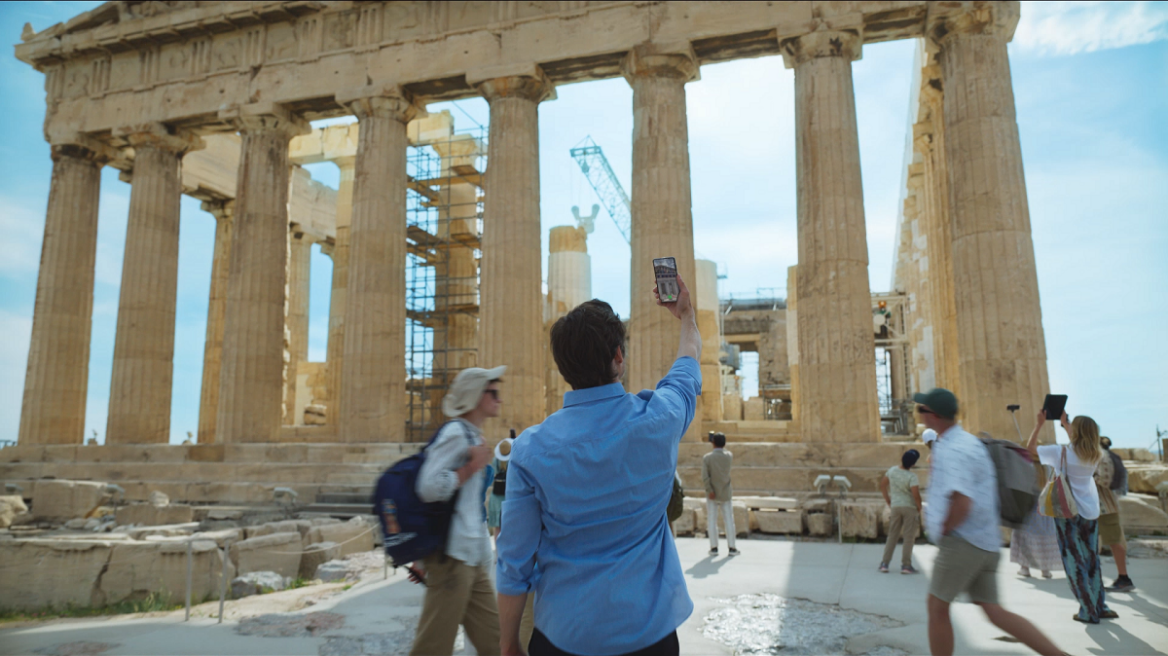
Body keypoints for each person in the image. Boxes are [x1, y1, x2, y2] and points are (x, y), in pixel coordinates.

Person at [496, 277, 702, 656]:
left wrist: (508, 642)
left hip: (565, 636)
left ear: (563, 368)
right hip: (650, 635)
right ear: (618, 357)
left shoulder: (529, 450)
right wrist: (686, 315)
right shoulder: (661, 419)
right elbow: (688, 365)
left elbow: (515, 560)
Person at [916, 388, 1062, 656]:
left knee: (936, 608)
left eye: (921, 410)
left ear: (933, 415)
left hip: (963, 542)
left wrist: (945, 529)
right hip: (986, 541)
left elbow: (962, 501)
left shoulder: (951, 448)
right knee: (994, 611)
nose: (919, 415)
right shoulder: (970, 442)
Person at [410, 366, 505, 656]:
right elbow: (427, 487)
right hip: (452, 560)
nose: (500, 398)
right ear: (477, 396)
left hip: (473, 557)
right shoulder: (455, 433)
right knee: (433, 647)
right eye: (494, 392)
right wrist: (470, 467)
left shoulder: (473, 435)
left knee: (498, 645)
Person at [1028, 411, 1117, 623]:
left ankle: (1087, 610)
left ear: (1075, 432)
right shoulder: (1096, 454)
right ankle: (1100, 605)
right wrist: (1066, 424)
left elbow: (1031, 449)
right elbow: (1079, 443)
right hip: (1090, 510)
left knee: (1073, 561)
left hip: (1067, 511)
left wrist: (1040, 424)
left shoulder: (1060, 452)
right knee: (1091, 560)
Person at [1008, 456, 1059, 580]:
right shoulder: (1049, 469)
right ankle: (1045, 570)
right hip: (1044, 508)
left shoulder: (1027, 467)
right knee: (1044, 538)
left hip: (1028, 507)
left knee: (1024, 538)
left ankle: (1025, 568)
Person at [1095, 436, 1134, 592]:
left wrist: (1087, 478)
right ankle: (1120, 578)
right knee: (1112, 541)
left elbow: (1105, 480)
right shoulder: (1112, 456)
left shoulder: (1102, 457)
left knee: (1114, 542)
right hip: (1107, 505)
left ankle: (1123, 578)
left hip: (1104, 506)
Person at [879, 449, 922, 574]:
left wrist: (888, 500)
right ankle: (906, 565)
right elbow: (916, 495)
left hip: (896, 506)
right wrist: (919, 507)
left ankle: (885, 563)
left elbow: (882, 484)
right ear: (913, 464)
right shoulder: (912, 477)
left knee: (892, 535)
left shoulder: (892, 471)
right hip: (909, 508)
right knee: (909, 537)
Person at [702, 432, 738, 556]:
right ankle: (732, 547)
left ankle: (714, 547)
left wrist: (709, 490)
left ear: (713, 442)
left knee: (712, 520)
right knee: (729, 520)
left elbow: (705, 476)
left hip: (712, 493)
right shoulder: (729, 456)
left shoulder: (707, 458)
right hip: (725, 492)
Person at [488, 456, 507, 538]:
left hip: (495, 497)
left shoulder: (495, 460)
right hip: (507, 497)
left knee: (497, 527)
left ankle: (497, 549)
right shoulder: (513, 459)